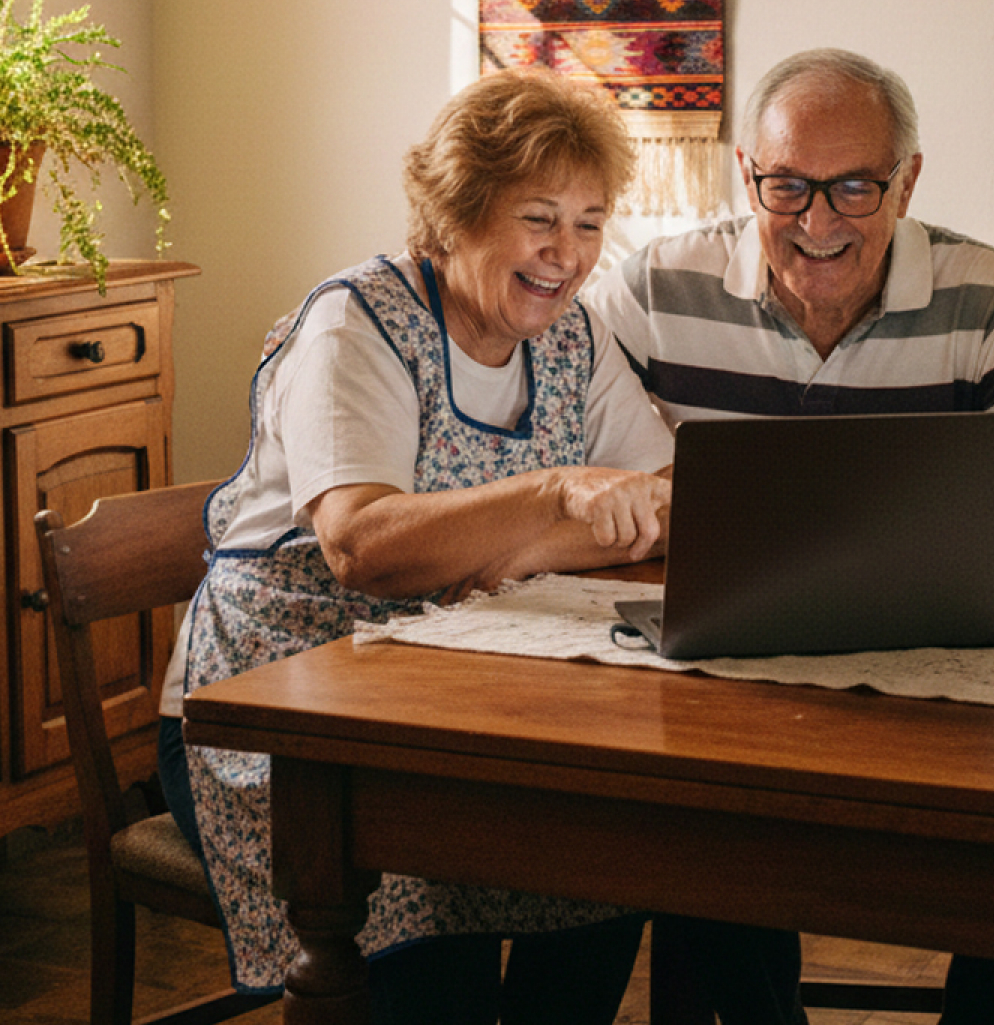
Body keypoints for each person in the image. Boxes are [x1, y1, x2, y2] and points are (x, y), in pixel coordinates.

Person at [584, 47, 994, 1024]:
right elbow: (566, 455)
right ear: (748, 175)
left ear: (907, 182)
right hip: (724, 688)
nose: (818, 223)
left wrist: (896, 560)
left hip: (934, 682)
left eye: (855, 187)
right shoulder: (654, 288)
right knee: (693, 822)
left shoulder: (988, 293)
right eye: (787, 186)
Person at [160, 68, 676, 1025]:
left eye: (590, 223)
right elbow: (364, 547)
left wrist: (508, 552)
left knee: (612, 865)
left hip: (461, 694)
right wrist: (552, 495)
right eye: (538, 219)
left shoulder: (572, 339)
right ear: (455, 214)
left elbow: (665, 502)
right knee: (426, 914)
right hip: (283, 712)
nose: (567, 254)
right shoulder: (355, 324)